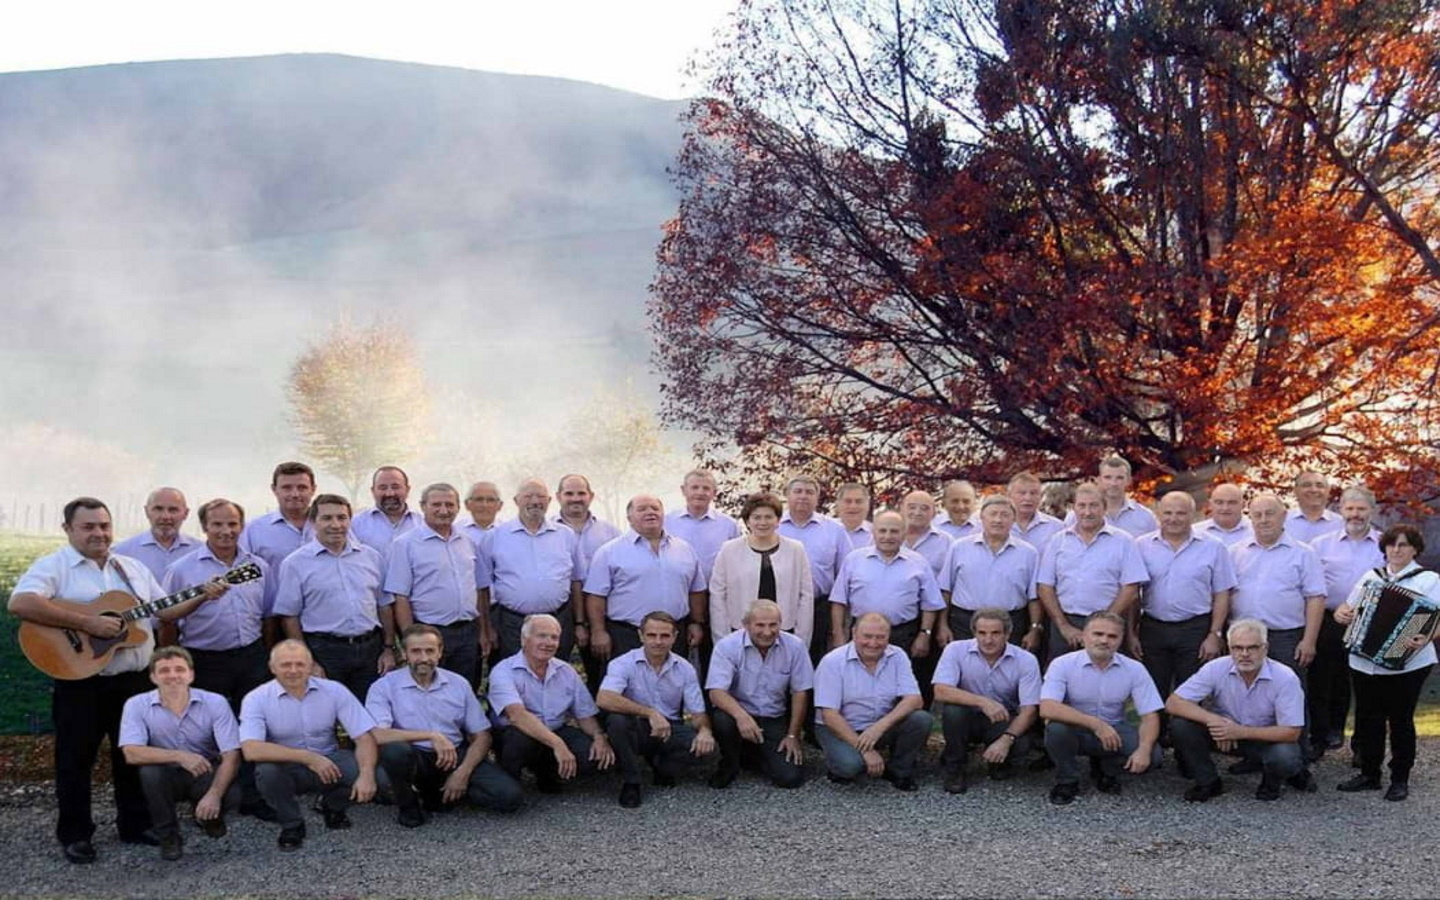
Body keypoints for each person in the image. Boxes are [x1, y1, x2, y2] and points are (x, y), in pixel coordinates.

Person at [8, 496, 222, 864]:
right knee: (75, 760)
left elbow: (165, 610)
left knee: (131, 756)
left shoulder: (130, 567)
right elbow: (20, 603)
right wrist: (87, 623)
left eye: (104, 526)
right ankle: (75, 834)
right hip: (80, 681)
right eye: (88, 526)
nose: (98, 533)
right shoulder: (56, 566)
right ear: (68, 529)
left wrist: (203, 595)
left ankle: (134, 824)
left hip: (132, 681)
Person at [162, 498, 274, 818]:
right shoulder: (182, 569)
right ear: (204, 528)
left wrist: (263, 654)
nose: (226, 531)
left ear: (242, 526)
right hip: (204, 658)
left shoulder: (258, 566)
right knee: (205, 730)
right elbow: (167, 620)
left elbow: (267, 615)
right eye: (218, 524)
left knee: (250, 726)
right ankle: (208, 795)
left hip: (250, 656)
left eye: (232, 524)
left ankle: (252, 797)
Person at [366, 624, 523, 826]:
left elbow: (482, 735)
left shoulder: (458, 684)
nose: (423, 658)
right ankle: (409, 805)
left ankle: (441, 792)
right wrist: (431, 736)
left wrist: (462, 773)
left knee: (510, 797)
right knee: (395, 751)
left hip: (455, 755)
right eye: (416, 651)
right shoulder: (384, 686)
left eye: (430, 651)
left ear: (440, 652)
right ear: (404, 653)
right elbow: (377, 735)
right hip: (416, 757)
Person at [239, 640, 378, 851]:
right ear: (272, 667)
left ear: (311, 665)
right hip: (288, 765)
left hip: (330, 758)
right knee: (267, 772)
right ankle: (292, 823)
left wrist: (367, 775)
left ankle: (332, 805)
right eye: (286, 665)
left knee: (371, 773)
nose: (293, 670)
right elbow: (251, 749)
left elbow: (364, 737)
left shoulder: (334, 690)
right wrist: (309, 758)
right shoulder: (256, 698)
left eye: (300, 664)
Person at [1333, 524, 1438, 802]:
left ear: (1415, 548)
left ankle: (1400, 778)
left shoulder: (1428, 580)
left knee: (1400, 719)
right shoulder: (1372, 576)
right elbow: (1347, 609)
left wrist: (1424, 638)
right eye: (1391, 544)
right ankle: (1369, 773)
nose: (1396, 549)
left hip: (1409, 663)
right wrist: (1342, 614)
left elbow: (1436, 620)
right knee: (1368, 718)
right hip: (1364, 661)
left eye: (1403, 544)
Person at [1165, 619, 1313, 802]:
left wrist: (1239, 731)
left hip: (1265, 740)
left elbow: (1292, 732)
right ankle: (1208, 782)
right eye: (1237, 648)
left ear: (1265, 648)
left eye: (1252, 647)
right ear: (1229, 648)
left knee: (1285, 756)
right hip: (1224, 734)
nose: (1244, 654)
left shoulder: (1285, 677)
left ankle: (1272, 783)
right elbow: (1174, 702)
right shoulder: (1216, 667)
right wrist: (1215, 721)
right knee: (1180, 726)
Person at [118, 647, 241, 860]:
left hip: (204, 771)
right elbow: (131, 752)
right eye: (164, 670)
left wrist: (214, 795)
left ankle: (208, 815)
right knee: (149, 772)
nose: (173, 675)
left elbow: (232, 754)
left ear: (191, 675)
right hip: (165, 775)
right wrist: (180, 756)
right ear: (153, 677)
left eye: (179, 669)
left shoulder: (215, 702)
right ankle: (168, 835)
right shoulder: (136, 704)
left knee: (232, 795)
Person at [1131, 491, 1235, 737]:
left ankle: (1188, 751)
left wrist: (1215, 633)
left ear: (1193, 514)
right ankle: (1152, 746)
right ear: (1158, 514)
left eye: (1180, 513)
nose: (1174, 518)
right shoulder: (1141, 545)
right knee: (1152, 690)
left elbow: (1222, 593)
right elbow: (1133, 593)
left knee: (1192, 692)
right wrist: (1131, 633)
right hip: (1153, 627)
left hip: (1195, 629)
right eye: (1168, 512)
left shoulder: (1213, 546)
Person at [274, 494, 395, 701]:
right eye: (327, 518)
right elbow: (289, 617)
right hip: (325, 650)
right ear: (313, 522)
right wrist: (307, 660)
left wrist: (388, 648)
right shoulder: (295, 563)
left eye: (342, 518)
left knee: (370, 712)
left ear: (350, 520)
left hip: (370, 649)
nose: (336, 525)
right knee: (325, 712)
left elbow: (384, 605)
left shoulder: (371, 557)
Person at [1039, 612, 1162, 804]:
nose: (1104, 640)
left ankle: (1106, 767)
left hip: (1115, 728)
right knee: (1055, 730)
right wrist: (1096, 724)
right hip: (1077, 729)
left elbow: (1150, 715)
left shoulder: (1135, 668)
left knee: (1154, 757)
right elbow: (1047, 707)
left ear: (1121, 640)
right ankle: (1067, 780)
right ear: (1085, 635)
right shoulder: (1062, 664)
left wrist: (1144, 749)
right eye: (1098, 634)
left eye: (1112, 636)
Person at [597, 612, 716, 807]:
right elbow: (604, 698)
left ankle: (661, 765)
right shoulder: (622, 663)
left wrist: (705, 731)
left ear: (675, 637)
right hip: (637, 727)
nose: (658, 642)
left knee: (707, 750)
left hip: (669, 729)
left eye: (665, 636)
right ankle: (631, 781)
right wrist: (650, 713)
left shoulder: (685, 668)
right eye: (651, 635)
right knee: (617, 722)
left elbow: (698, 714)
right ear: (641, 636)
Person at [488, 614, 615, 794]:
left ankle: (547, 771)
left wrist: (599, 737)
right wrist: (558, 745)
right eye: (541, 636)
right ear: (524, 639)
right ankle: (510, 777)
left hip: (556, 729)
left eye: (554, 637)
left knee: (592, 757)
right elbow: (517, 716)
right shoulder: (503, 671)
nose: (548, 642)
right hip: (519, 733)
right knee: (518, 742)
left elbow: (584, 714)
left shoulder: (566, 671)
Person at [584, 495, 707, 667]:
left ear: (663, 513)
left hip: (673, 635)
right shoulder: (609, 552)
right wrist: (598, 631)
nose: (650, 513)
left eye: (655, 508)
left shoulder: (684, 549)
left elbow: (696, 590)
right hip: (627, 636)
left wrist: (695, 623)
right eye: (642, 509)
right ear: (629, 518)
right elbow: (596, 596)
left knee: (672, 686)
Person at [813, 613, 932, 791]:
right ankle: (839, 766)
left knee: (921, 719)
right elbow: (829, 716)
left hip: (877, 725)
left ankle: (898, 770)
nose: (873, 643)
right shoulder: (833, 662)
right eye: (867, 636)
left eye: (880, 637)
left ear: (888, 636)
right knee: (850, 767)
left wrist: (880, 726)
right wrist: (865, 750)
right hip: (840, 727)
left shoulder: (897, 655)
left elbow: (915, 699)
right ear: (854, 633)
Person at [705, 599, 814, 789]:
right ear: (746, 625)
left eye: (773, 625)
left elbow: (800, 692)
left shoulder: (795, 646)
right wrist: (742, 716)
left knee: (790, 778)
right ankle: (729, 763)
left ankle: (753, 754)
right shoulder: (727, 646)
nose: (767, 631)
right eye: (760, 625)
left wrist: (792, 735)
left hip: (773, 716)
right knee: (722, 719)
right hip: (739, 715)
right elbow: (716, 692)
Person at [1307, 486, 1382, 758]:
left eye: (1361, 509)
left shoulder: (1385, 545)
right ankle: (1320, 737)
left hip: (1370, 623)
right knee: (1322, 681)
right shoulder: (1320, 545)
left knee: (1365, 684)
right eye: (1350, 508)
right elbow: (1313, 585)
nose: (1355, 514)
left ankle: (1362, 745)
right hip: (1329, 619)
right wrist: (1336, 608)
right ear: (1341, 511)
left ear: (1371, 511)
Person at [932, 607, 1042, 793]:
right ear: (974, 632)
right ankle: (955, 768)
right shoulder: (956, 650)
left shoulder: (1026, 660)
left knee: (1021, 744)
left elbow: (1030, 710)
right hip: (966, 717)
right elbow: (941, 691)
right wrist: (983, 702)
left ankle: (998, 761)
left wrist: (1007, 740)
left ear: (1008, 633)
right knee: (953, 711)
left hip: (1001, 719)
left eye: (995, 633)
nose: (988, 640)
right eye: (982, 633)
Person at [384, 483, 483, 687]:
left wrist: (484, 632)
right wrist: (410, 639)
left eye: (450, 505)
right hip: (428, 633)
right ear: (423, 506)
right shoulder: (405, 545)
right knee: (430, 690)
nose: (444, 510)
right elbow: (401, 598)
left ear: (458, 507)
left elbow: (480, 588)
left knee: (465, 690)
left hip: (467, 633)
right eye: (436, 504)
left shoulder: (468, 542)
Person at [1036, 482, 1148, 659]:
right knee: (1062, 678)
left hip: (1109, 624)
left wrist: (1104, 623)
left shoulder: (1124, 541)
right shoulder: (1058, 540)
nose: (1087, 512)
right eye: (1082, 505)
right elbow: (1045, 586)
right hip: (1065, 624)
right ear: (1073, 508)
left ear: (1104, 507)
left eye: (1093, 505)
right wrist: (1063, 626)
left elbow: (1131, 588)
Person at [477, 478, 585, 662]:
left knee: (555, 675)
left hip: (558, 620)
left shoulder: (565, 535)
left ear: (550, 501)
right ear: (516, 501)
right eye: (528, 496)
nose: (535, 501)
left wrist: (580, 623)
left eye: (541, 496)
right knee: (514, 674)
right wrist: (486, 628)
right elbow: (482, 587)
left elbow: (576, 582)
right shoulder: (495, 537)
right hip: (512, 624)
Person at [828, 510, 945, 664]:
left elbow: (930, 604)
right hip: (862, 635)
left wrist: (925, 634)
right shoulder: (853, 560)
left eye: (894, 531)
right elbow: (838, 601)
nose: (887, 536)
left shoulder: (918, 562)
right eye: (882, 531)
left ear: (904, 533)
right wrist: (838, 634)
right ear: (873, 532)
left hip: (904, 635)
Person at [936, 494, 1043, 648]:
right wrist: (942, 625)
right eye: (993, 514)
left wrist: (1034, 629)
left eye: (1004, 515)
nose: (998, 520)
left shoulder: (1028, 553)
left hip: (1011, 625)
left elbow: (1034, 597)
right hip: (964, 623)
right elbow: (946, 590)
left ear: (1013, 519)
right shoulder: (959, 547)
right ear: (982, 517)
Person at [709, 492, 814, 646]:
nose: (762, 522)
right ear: (747, 521)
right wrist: (722, 639)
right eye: (756, 517)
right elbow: (718, 595)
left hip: (785, 631)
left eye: (768, 517)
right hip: (740, 631)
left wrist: (802, 639)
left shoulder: (795, 549)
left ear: (778, 520)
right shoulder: (729, 549)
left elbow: (806, 595)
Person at [553, 473, 621, 691]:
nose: (575, 498)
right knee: (555, 667)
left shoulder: (610, 532)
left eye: (581, 493)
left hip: (599, 613)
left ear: (591, 496)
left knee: (601, 670)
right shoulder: (548, 531)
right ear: (558, 497)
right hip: (559, 611)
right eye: (569, 493)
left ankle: (602, 717)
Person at [777, 474, 850, 665]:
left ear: (817, 498)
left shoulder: (835, 530)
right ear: (787, 495)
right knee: (779, 658)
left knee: (815, 659)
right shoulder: (773, 527)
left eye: (809, 492)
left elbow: (845, 573)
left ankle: (811, 695)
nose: (803, 496)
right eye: (798, 491)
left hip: (820, 607)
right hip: (779, 604)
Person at [239, 462, 316, 580]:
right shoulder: (253, 530)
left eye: (302, 487)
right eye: (287, 488)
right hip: (275, 599)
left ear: (313, 489)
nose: (295, 494)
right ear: (274, 489)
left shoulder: (335, 527)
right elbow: (244, 576)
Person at [664, 469, 742, 579]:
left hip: (715, 591)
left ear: (714, 493)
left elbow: (737, 561)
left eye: (706, 488)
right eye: (694, 487)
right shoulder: (667, 522)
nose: (700, 492)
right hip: (677, 589)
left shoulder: (729, 525)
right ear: (683, 490)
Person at [113, 487, 202, 580]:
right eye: (158, 509)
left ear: (186, 513)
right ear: (146, 511)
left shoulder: (200, 552)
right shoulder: (122, 553)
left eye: (173, 510)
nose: (165, 516)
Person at [1063, 456, 1157, 536]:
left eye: (1119, 478)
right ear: (1099, 480)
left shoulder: (1145, 517)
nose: (1113, 483)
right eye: (1108, 477)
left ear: (1129, 481)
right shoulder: (1076, 516)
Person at [350, 466, 423, 554]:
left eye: (395, 487)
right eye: (383, 488)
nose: (390, 493)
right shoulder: (356, 524)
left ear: (407, 489)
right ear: (373, 491)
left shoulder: (422, 523)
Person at [1008, 472, 1064, 550]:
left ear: (1040, 496)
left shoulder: (1056, 527)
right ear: (1009, 495)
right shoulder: (995, 526)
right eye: (1022, 493)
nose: (1028, 498)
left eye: (1033, 493)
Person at [1285, 470, 1343, 544]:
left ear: (1328, 491)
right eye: (1307, 485)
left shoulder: (1341, 524)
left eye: (1319, 485)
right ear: (1295, 490)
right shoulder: (1282, 522)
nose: (1314, 490)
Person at [460, 481, 505, 545]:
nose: (484, 505)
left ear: (500, 505)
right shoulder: (455, 531)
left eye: (490, 500)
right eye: (479, 499)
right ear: (467, 504)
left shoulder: (508, 532)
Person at [835, 482, 874, 549]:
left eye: (858, 501)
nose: (853, 506)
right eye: (848, 501)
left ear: (867, 505)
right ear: (838, 504)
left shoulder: (877, 533)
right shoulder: (825, 531)